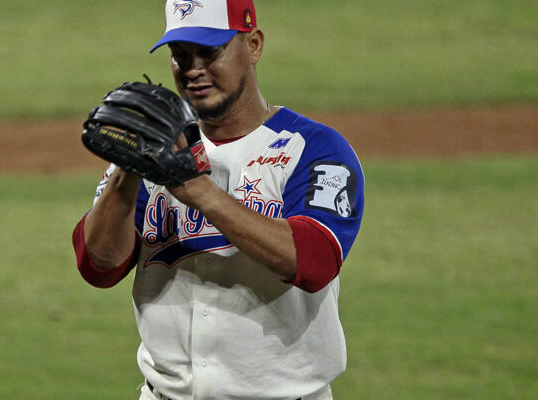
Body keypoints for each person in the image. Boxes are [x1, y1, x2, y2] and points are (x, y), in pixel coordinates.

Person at [72, 1, 364, 399]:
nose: (193, 69)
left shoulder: (312, 148)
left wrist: (198, 191)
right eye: (180, 55)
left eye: (209, 52)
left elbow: (315, 261)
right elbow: (98, 267)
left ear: (254, 45)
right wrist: (126, 171)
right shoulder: (156, 147)